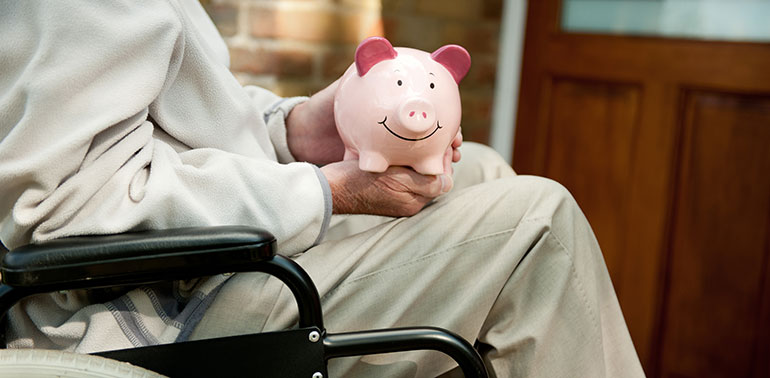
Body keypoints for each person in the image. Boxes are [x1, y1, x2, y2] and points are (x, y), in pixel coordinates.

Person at [0, 1, 645, 377]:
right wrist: (327, 191)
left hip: (206, 276)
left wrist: (298, 130)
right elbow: (61, 204)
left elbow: (166, 121)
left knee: (473, 169)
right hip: (155, 320)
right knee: (538, 226)